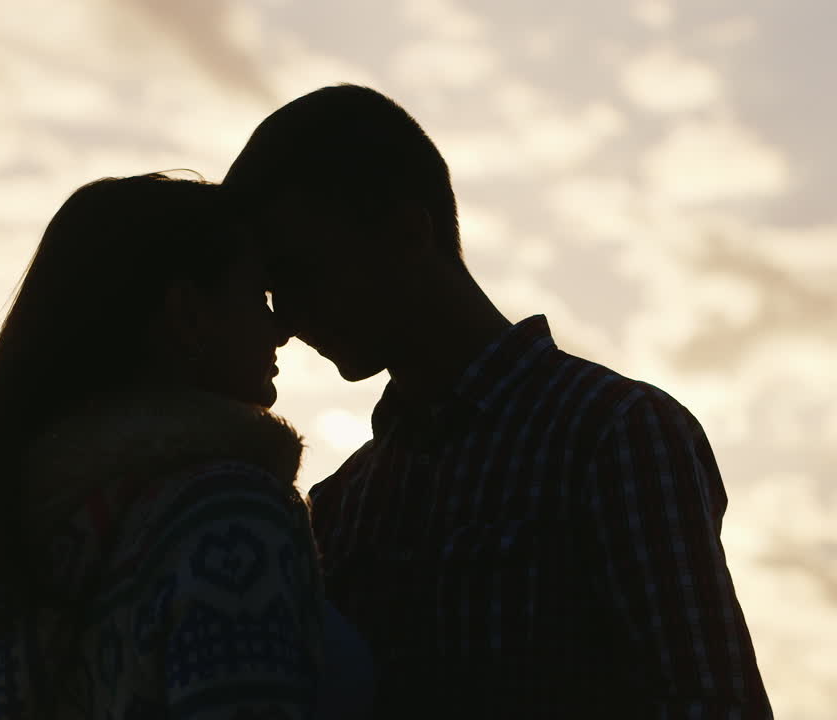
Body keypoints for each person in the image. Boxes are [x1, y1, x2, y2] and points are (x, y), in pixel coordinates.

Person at [223, 85, 772, 719]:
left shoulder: (614, 435)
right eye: (270, 289)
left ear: (407, 233)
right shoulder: (341, 506)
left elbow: (711, 703)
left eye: (300, 272)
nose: (285, 319)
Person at [0, 174, 373, 720]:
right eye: (259, 294)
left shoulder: (25, 544)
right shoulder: (225, 515)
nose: (280, 329)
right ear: (188, 316)